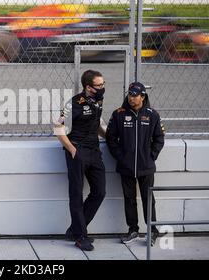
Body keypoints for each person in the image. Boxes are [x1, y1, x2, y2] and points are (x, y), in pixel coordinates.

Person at [105, 82, 165, 246]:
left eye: (135, 95)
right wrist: (120, 157)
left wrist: (151, 156)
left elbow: (159, 138)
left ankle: (152, 231)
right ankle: (133, 230)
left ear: (143, 96)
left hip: (146, 167)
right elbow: (110, 138)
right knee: (129, 198)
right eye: (130, 94)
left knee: (148, 199)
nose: (131, 98)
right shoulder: (119, 114)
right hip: (126, 166)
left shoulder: (152, 115)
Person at [54, 70, 107, 251]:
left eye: (103, 84)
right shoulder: (74, 103)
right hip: (78, 151)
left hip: (94, 151)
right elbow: (58, 128)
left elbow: (98, 123)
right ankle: (80, 236)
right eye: (99, 85)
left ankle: (76, 228)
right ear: (88, 87)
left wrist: (110, 137)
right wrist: (72, 149)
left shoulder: (98, 101)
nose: (103, 88)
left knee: (100, 192)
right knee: (76, 194)